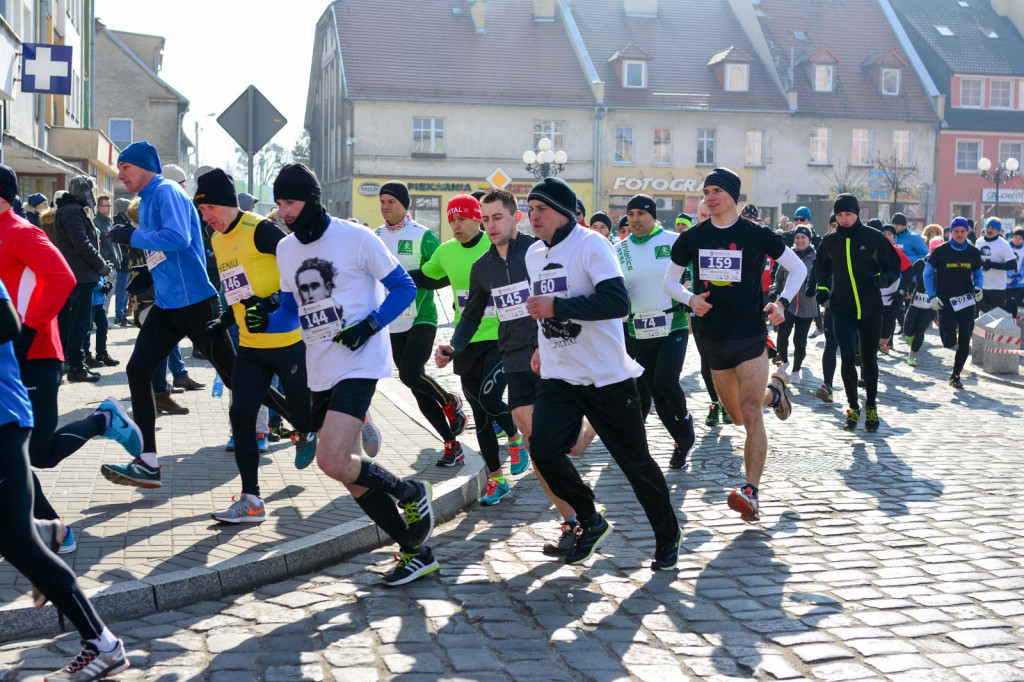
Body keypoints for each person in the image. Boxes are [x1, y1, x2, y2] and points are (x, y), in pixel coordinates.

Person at [273, 163, 437, 586]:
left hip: (361, 360)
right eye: (278, 204)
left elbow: (404, 287)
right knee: (343, 470)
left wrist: (370, 324)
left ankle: (410, 492)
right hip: (320, 364)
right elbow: (292, 309)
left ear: (310, 200)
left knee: (331, 458)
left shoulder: (356, 237)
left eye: (289, 202)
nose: (283, 212)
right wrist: (267, 315)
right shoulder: (286, 249)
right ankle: (414, 549)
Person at [100, 141, 289, 489]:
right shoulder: (151, 197)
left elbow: (177, 236)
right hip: (169, 304)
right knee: (137, 369)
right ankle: (148, 461)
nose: (120, 174)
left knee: (235, 377)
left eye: (125, 167)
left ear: (143, 166)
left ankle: (301, 422)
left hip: (196, 304)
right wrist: (147, 269)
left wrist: (132, 236)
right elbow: (171, 248)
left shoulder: (166, 190)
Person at [522, 177, 682, 568]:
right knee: (543, 449)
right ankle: (590, 519)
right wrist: (540, 348)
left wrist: (557, 308)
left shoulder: (591, 244)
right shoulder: (533, 255)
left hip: (606, 377)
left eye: (541, 209)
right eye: (530, 210)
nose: (534, 217)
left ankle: (667, 534)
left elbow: (617, 302)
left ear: (562, 212)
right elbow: (540, 310)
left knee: (636, 464)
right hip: (560, 376)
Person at [442, 188, 591, 556]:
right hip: (514, 358)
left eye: (497, 218)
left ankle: (595, 417)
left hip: (554, 352)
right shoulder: (483, 268)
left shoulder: (537, 253)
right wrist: (453, 347)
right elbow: (472, 316)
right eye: (485, 219)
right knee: (539, 445)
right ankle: (572, 519)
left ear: (515, 218)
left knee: (570, 446)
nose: (490, 226)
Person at [0, 280, 131, 682]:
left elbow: (8, 323)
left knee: (17, 543)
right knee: (17, 535)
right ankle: (43, 532)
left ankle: (102, 644)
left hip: (2, 419)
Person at [663, 168, 801, 523]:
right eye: (706, 191)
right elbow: (669, 281)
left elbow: (797, 269)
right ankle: (777, 393)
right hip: (712, 340)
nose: (709, 197)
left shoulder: (757, 235)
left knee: (751, 411)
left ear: (732, 197)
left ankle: (751, 492)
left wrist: (781, 303)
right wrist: (689, 298)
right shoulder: (693, 237)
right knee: (737, 416)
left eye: (717, 192)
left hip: (750, 336)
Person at [196, 168, 320, 522]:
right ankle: (252, 499)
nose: (206, 218)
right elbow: (236, 287)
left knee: (301, 415)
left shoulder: (261, 230)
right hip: (251, 348)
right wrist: (226, 319)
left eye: (209, 210)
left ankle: (320, 425)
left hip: (288, 343)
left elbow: (301, 270)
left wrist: (271, 304)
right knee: (241, 416)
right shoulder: (218, 240)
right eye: (202, 212)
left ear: (226, 203)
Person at [408, 194, 526, 505]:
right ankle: (497, 479)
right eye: (451, 220)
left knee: (489, 397)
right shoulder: (449, 253)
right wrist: (388, 275)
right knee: (480, 416)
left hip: (501, 338)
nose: (456, 225)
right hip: (468, 339)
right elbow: (427, 278)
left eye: (463, 218)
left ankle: (515, 437)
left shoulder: (497, 247)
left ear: (478, 219)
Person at [374, 181, 467, 463]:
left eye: (390, 201)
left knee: (410, 374)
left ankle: (450, 400)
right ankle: (452, 444)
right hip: (391, 320)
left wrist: (416, 278)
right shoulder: (375, 236)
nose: (385, 207)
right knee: (415, 383)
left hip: (421, 318)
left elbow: (445, 273)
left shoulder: (422, 236)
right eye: (382, 201)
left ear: (404, 204)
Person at [616, 194, 695, 469]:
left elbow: (692, 274)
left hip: (673, 323)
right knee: (653, 391)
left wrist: (693, 296)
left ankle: (685, 419)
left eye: (641, 213)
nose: (635, 219)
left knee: (665, 382)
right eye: (631, 214)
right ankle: (681, 441)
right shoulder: (619, 249)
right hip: (638, 328)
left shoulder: (674, 241)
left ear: (653, 215)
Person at [814, 194, 901, 432]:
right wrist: (822, 288)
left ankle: (871, 406)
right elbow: (822, 267)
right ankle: (853, 407)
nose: (843, 219)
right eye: (839, 215)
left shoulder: (874, 238)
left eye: (848, 214)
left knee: (869, 361)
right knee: (848, 358)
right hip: (842, 308)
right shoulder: (830, 241)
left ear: (857, 213)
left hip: (871, 309)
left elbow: (895, 267)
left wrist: (879, 279)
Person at [51, 175, 110, 383]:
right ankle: (76, 366)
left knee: (71, 322)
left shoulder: (69, 210)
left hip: (75, 274)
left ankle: (69, 363)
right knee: (79, 323)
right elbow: (82, 243)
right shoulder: (72, 211)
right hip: (79, 276)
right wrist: (101, 264)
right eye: (90, 190)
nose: (92, 195)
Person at [924, 217, 983, 389]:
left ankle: (956, 375)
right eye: (956, 231)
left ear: (967, 232)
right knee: (949, 342)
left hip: (966, 300)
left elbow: (979, 274)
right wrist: (932, 296)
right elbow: (927, 274)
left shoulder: (973, 252)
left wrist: (979, 288)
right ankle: (951, 337)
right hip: (945, 301)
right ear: (951, 232)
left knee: (965, 339)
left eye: (962, 231)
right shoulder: (941, 251)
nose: (959, 234)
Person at [771, 225, 817, 374]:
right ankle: (783, 362)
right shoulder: (788, 255)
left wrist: (817, 288)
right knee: (782, 336)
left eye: (803, 237)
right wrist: (774, 289)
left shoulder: (816, 259)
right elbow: (778, 279)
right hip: (787, 305)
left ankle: (796, 369)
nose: (800, 240)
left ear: (809, 239)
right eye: (797, 237)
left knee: (800, 341)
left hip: (807, 307)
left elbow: (823, 278)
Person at [903, 238, 942, 367]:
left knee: (920, 330)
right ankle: (910, 334)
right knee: (908, 329)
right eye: (934, 250)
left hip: (931, 306)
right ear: (929, 250)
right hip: (916, 303)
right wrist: (906, 290)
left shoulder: (943, 267)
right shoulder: (919, 264)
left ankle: (912, 356)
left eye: (939, 251)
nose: (936, 253)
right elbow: (909, 277)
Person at [878, 225, 914, 354]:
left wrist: (902, 291)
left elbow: (909, 271)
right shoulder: (874, 248)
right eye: (884, 233)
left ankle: (886, 344)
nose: (887, 236)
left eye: (890, 234)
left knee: (889, 318)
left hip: (892, 292)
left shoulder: (897, 251)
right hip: (875, 291)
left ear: (894, 238)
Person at [976, 218, 1017, 316]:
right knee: (979, 316)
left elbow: (1013, 264)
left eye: (993, 228)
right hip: (980, 286)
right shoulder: (979, 242)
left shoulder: (1003, 244)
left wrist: (992, 265)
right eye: (988, 227)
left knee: (995, 318)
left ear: (998, 231)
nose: (989, 230)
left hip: (997, 288)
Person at [110, 198, 133, 327]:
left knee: (126, 289)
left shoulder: (125, 221)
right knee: (121, 289)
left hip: (127, 261)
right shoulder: (118, 222)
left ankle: (123, 313)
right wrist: (125, 256)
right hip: (123, 262)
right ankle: (119, 315)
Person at [1008, 228, 1024, 316]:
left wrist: (1017, 278)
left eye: (1020, 238)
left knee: (1016, 304)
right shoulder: (1006, 246)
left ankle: (1015, 324)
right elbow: (1002, 262)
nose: (1017, 240)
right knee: (1006, 306)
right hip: (1005, 281)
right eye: (1016, 237)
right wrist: (1010, 275)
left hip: (1020, 282)